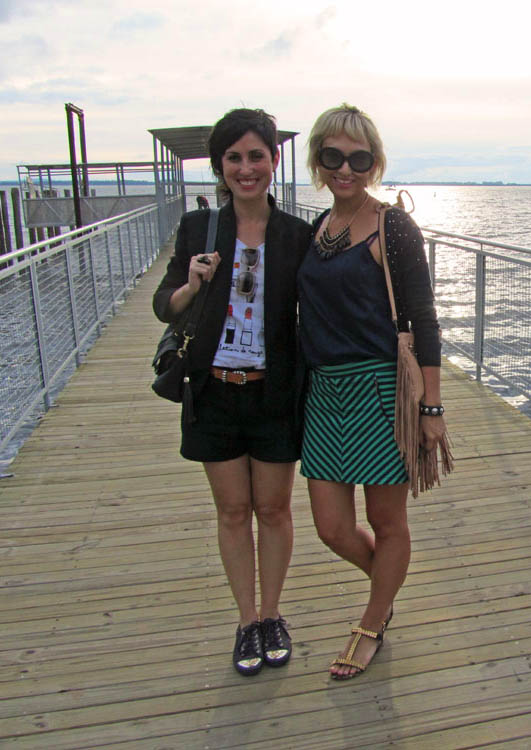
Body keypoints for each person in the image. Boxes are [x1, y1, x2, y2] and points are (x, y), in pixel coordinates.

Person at [153, 108, 312, 676]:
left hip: (274, 394)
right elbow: (165, 304)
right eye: (234, 158)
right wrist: (192, 284)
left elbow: (323, 304)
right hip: (214, 393)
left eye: (256, 156)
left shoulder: (296, 235)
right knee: (232, 511)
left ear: (273, 160)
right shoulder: (200, 227)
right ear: (220, 166)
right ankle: (246, 621)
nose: (246, 168)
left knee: (273, 509)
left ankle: (272, 615)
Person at [297, 104, 446, 679]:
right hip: (324, 393)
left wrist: (431, 407)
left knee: (387, 522)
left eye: (359, 159)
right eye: (333, 156)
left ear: (374, 164)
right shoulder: (319, 229)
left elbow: (425, 321)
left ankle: (373, 620)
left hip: (381, 391)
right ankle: (386, 585)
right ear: (317, 159)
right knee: (331, 527)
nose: (345, 169)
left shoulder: (393, 226)